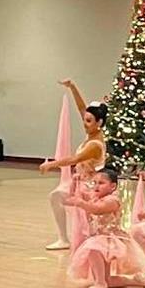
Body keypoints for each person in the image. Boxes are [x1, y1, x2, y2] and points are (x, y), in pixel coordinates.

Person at [39, 79, 108, 250]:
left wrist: (51, 164)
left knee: (85, 214)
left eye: (89, 121)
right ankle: (63, 238)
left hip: (91, 187)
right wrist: (72, 87)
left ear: (99, 123)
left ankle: (91, 240)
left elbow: (73, 160)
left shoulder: (95, 144)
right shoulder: (92, 134)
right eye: (85, 120)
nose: (85, 124)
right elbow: (82, 108)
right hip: (80, 182)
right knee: (56, 197)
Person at [65, 167, 145, 288]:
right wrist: (74, 182)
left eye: (101, 183)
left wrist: (81, 203)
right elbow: (73, 196)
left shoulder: (113, 201)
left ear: (112, 186)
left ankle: (100, 282)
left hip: (111, 238)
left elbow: (97, 209)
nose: (96, 186)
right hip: (99, 237)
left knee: (92, 248)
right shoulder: (94, 196)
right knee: (109, 279)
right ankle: (133, 280)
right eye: (94, 182)